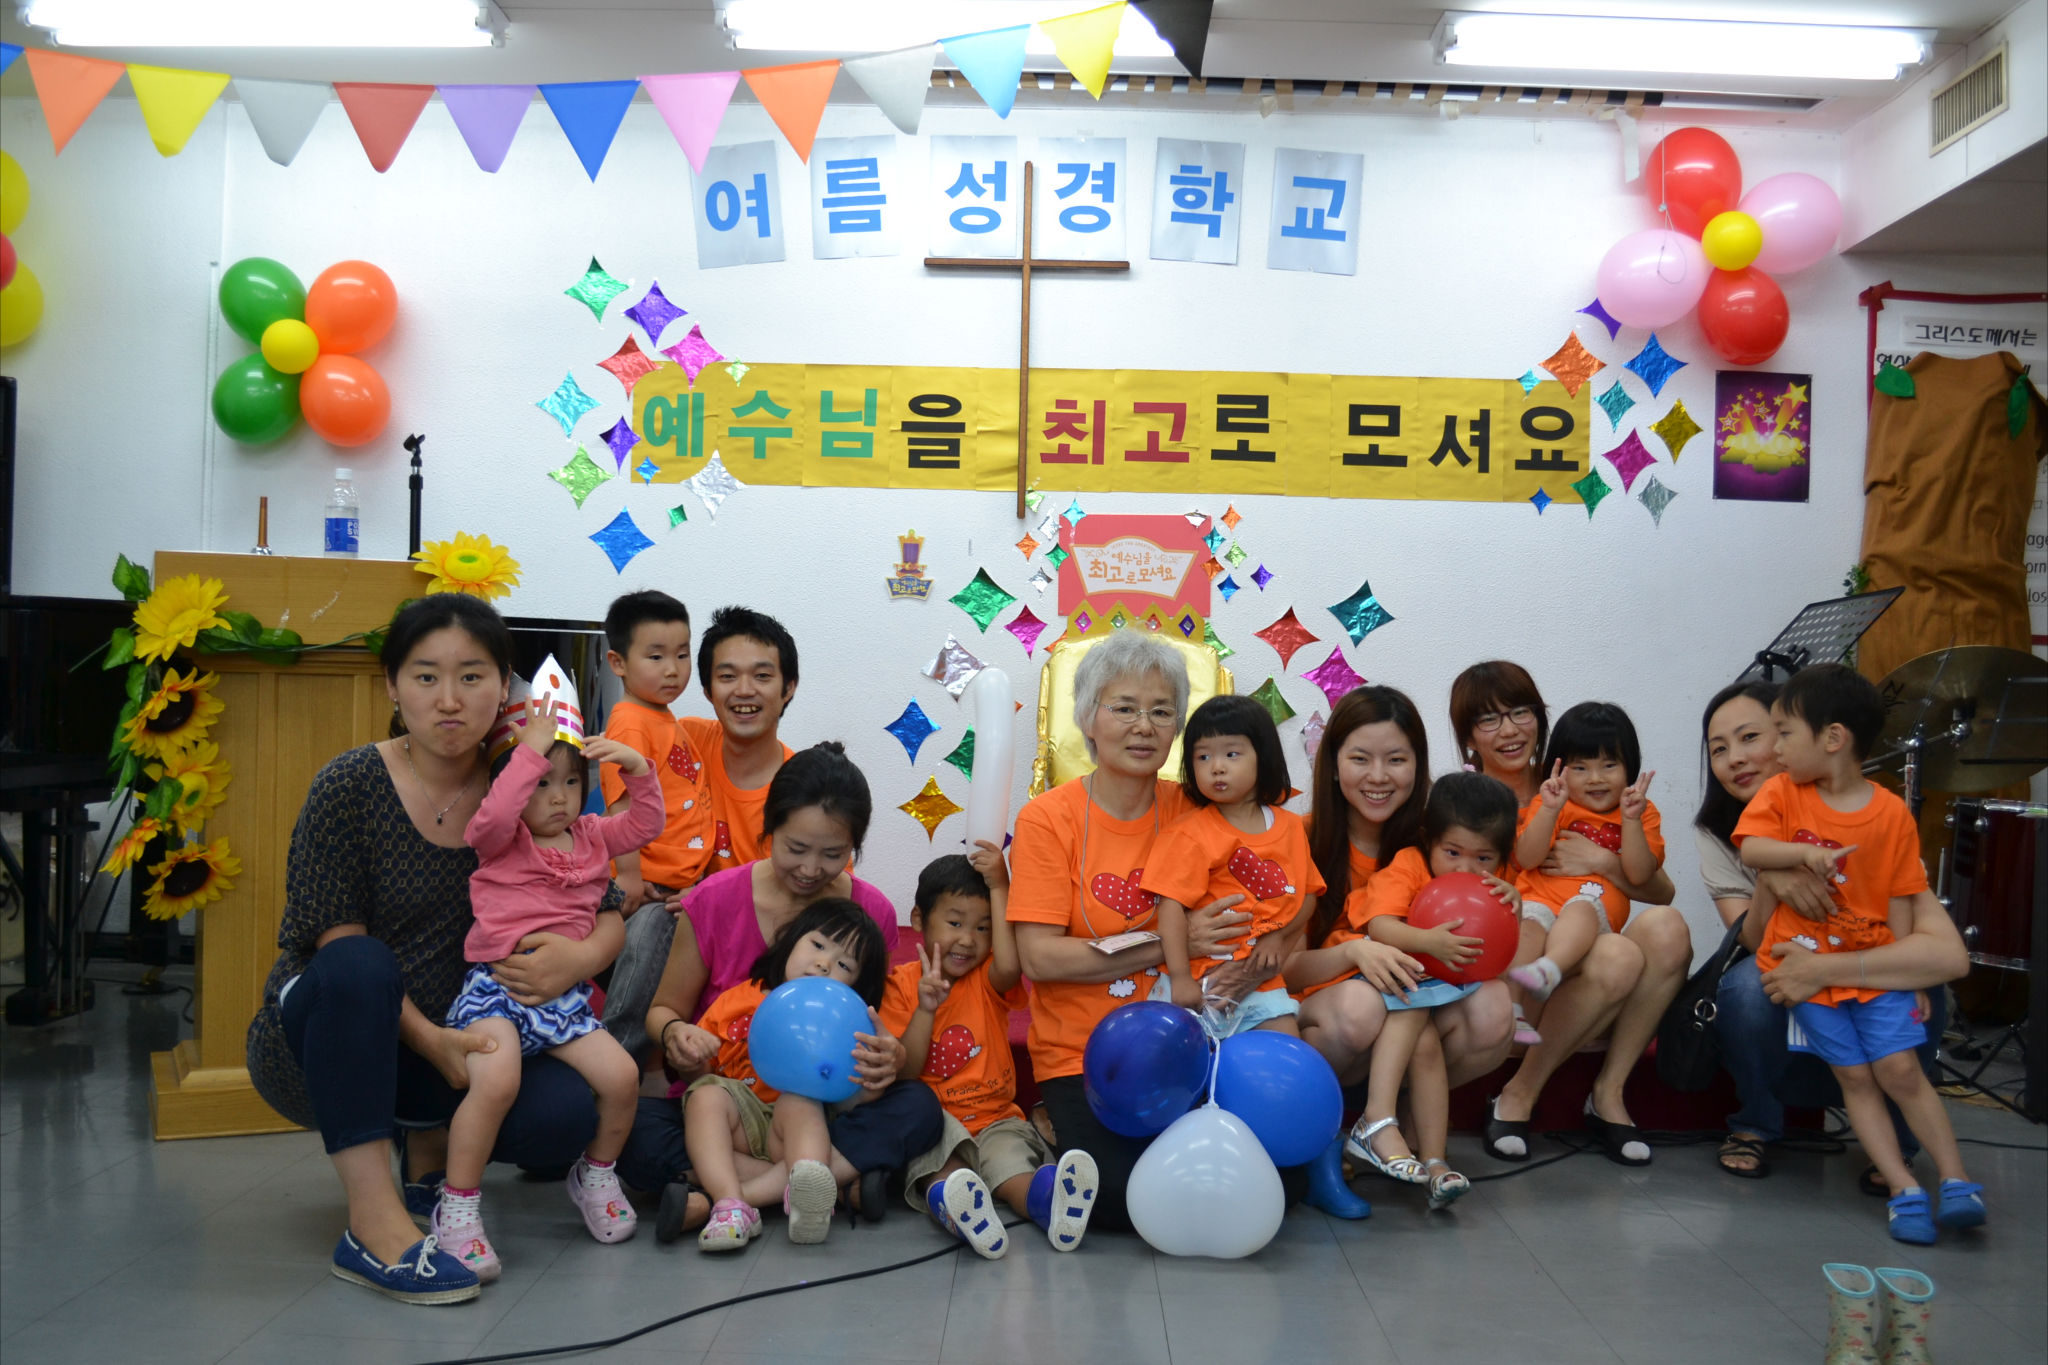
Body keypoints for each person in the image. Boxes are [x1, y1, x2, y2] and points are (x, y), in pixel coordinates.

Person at [246, 596, 634, 1306]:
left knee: (564, 1115)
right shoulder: (350, 785)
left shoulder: (531, 782)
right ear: (392, 686)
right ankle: (373, 1224)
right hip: (332, 1039)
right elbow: (335, 942)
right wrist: (433, 1042)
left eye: (472, 676)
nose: (450, 699)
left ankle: (428, 1150)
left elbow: (606, 906)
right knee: (360, 965)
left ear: (504, 684)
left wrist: (580, 960)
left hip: (468, 1043)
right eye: (426, 677)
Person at [1007, 632, 1266, 1233]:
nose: (1143, 726)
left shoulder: (1200, 813)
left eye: (1161, 711)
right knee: (1123, 1200)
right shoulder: (1047, 819)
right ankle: (1051, 1125)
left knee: (1266, 1184)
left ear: (1177, 728)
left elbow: (1250, 917)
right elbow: (1040, 959)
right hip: (1085, 1051)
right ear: (1087, 719)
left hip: (1189, 1039)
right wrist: (1176, 943)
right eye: (1124, 708)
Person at [625, 742, 934, 1242]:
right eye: (796, 848)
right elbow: (662, 1011)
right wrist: (677, 1034)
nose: (811, 869)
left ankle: (727, 1198)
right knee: (634, 1129)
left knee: (917, 1106)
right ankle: (832, 1184)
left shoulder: (869, 914)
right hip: (730, 1105)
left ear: (854, 847)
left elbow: (876, 1021)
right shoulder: (714, 900)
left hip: (823, 1107)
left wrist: (889, 1058)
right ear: (768, 829)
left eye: (833, 854)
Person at [1733, 664, 1981, 1244]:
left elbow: (1900, 900)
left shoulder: (1891, 813)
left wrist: (1907, 976)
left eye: (1784, 733)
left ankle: (1957, 1180)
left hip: (1871, 967)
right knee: (1854, 1076)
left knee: (1901, 1070)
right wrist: (1800, 855)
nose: (1774, 749)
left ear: (1833, 738)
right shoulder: (1781, 793)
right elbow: (1752, 849)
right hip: (1802, 969)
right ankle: (1904, 1189)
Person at [427, 702, 661, 1280]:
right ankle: (457, 1208)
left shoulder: (592, 836)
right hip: (497, 992)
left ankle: (596, 1174)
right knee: (496, 1080)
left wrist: (638, 769)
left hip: (562, 1003)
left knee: (622, 1076)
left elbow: (645, 826)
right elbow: (488, 820)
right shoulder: (502, 840)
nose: (559, 797)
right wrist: (529, 752)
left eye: (571, 782)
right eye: (540, 784)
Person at [1289, 685, 1512, 1218]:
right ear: (1331, 763)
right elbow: (1288, 972)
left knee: (1493, 1006)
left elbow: (1484, 933)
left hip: (1411, 1004)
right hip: (1328, 1012)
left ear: (1418, 763)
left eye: (1396, 759)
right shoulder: (1298, 838)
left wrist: (1507, 898)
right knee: (1363, 1006)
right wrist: (1357, 953)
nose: (1378, 776)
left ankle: (1406, 1134)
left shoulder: (1443, 843)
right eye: (1360, 759)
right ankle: (1328, 1127)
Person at [602, 606, 797, 1060]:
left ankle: (617, 1064)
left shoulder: (799, 789)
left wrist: (710, 897)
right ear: (707, 689)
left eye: (762, 676)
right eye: (727, 676)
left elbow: (821, 899)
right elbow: (621, 797)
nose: (744, 691)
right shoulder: (681, 739)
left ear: (788, 687)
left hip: (742, 956)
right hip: (650, 912)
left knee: (656, 925)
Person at [885, 847, 1099, 1260]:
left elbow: (1010, 962)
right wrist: (925, 1009)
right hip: (934, 1123)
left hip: (995, 1118)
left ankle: (1051, 1202)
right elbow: (906, 1072)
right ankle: (961, 1209)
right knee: (939, 1169)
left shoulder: (987, 978)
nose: (968, 940)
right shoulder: (899, 985)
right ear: (918, 920)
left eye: (983, 928)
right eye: (955, 923)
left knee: (1012, 1166)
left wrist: (1001, 884)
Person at [1451, 662, 1678, 1046]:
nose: (1509, 730)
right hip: (1506, 944)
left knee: (1636, 941)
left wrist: (1600, 861)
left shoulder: (1575, 781)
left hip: (1578, 942)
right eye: (1489, 719)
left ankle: (1597, 1070)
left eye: (1520, 712)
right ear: (1468, 735)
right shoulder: (1462, 804)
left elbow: (1662, 891)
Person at [1342, 772, 1521, 1211]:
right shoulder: (1410, 863)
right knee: (1418, 1026)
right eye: (1453, 853)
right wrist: (1428, 942)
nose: (1466, 870)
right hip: (1392, 980)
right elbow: (1379, 925)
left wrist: (1512, 902)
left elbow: (1496, 938)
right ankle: (1376, 1120)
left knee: (1427, 1052)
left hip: (1432, 989)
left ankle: (1436, 1162)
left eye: (1484, 858)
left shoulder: (1494, 881)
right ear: (1429, 840)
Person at [684, 900, 900, 1250]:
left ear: (857, 985)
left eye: (844, 964)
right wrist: (693, 1055)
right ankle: (730, 1206)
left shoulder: (848, 1023)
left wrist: (874, 1084)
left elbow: (854, 1101)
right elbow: (703, 1071)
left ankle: (807, 1195)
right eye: (817, 945)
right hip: (740, 1123)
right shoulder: (738, 999)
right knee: (705, 1095)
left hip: (798, 1132)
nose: (824, 963)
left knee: (799, 1101)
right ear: (791, 940)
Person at [1146, 694, 1322, 1036]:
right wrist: (1180, 978)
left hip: (1261, 983)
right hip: (1197, 983)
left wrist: (1278, 938)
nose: (1217, 767)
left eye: (1231, 754)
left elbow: (1308, 896)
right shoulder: (1188, 833)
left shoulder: (1290, 827)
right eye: (1203, 756)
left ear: (1263, 756)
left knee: (1287, 1042)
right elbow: (1170, 907)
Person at [1507, 702, 1665, 1016]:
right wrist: (1549, 810)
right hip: (1539, 905)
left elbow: (1639, 875)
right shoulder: (1553, 802)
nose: (1595, 778)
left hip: (1593, 922)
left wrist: (1631, 821)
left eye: (1609, 765)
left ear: (1630, 765)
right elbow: (1526, 858)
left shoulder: (1640, 812)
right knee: (1527, 925)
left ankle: (1550, 968)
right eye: (1580, 768)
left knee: (1581, 908)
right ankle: (1510, 1007)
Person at [598, 590, 710, 918]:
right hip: (648, 885)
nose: (673, 669)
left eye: (682, 655)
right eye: (656, 657)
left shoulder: (658, 715)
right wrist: (629, 876)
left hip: (673, 881)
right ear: (618, 663)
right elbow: (621, 806)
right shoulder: (630, 724)